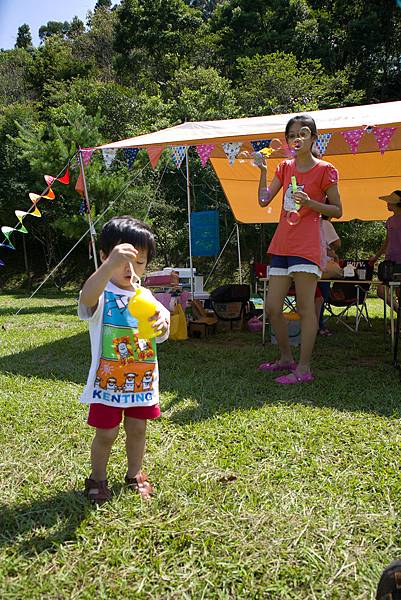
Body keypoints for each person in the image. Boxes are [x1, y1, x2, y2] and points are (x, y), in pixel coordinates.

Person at [79, 216, 170, 504]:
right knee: (106, 433)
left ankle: (134, 473)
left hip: (141, 383)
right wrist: (107, 268)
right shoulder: (103, 292)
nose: (131, 269)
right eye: (122, 260)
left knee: (138, 429)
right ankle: (97, 477)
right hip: (108, 383)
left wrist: (162, 325)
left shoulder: (147, 295)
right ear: (105, 257)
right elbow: (85, 297)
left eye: (140, 262)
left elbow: (162, 328)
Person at [257, 114, 342, 384]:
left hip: (307, 245)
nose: (297, 138)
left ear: (314, 138)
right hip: (283, 242)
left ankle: (304, 369)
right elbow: (263, 201)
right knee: (272, 307)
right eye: (292, 135)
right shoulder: (283, 167)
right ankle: (285, 358)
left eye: (302, 133)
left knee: (306, 308)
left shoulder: (325, 169)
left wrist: (310, 203)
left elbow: (338, 210)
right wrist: (261, 171)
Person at [370, 190, 401, 312]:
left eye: (389, 202)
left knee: (399, 293)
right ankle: (399, 313)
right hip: (389, 262)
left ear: (396, 204)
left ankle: (398, 324)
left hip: (399, 262)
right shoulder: (390, 220)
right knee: (381, 291)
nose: (387, 204)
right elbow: (387, 241)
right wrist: (376, 257)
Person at [316, 216, 341, 336]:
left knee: (313, 297)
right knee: (321, 297)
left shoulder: (310, 222)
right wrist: (332, 251)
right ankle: (318, 325)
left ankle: (311, 325)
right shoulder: (325, 223)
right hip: (322, 267)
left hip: (307, 266)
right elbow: (337, 242)